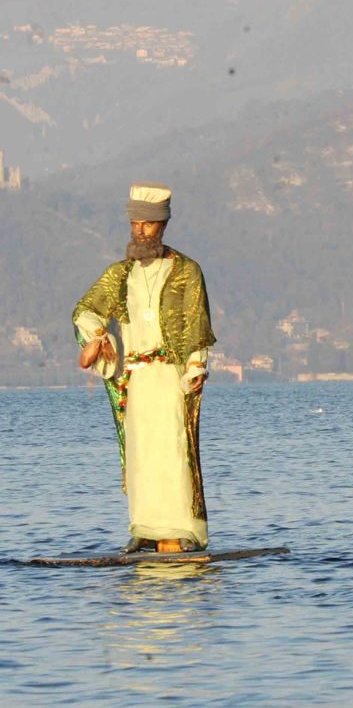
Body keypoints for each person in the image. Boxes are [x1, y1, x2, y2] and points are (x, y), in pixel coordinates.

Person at [73, 183, 216, 553]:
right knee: (141, 454)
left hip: (171, 375)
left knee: (173, 449)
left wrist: (195, 367)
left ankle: (181, 528)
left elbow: (196, 324)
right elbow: (85, 310)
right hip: (136, 377)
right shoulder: (120, 275)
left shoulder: (187, 271)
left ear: (162, 225)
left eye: (147, 225)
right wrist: (98, 334)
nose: (140, 231)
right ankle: (146, 527)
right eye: (135, 224)